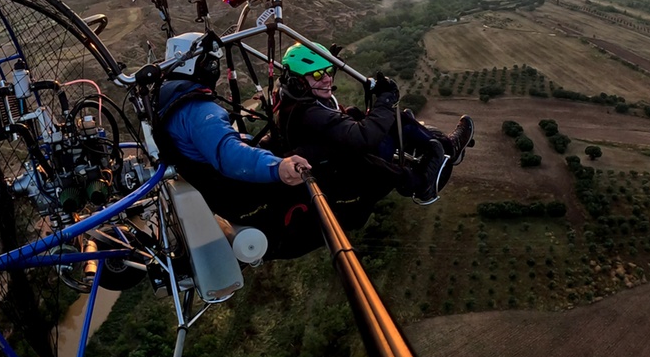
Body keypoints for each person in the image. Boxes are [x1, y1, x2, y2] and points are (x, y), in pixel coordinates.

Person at [153, 36, 322, 260]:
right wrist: (277, 167)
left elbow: (210, 144)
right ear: (200, 64)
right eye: (212, 63)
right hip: (236, 193)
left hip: (215, 192)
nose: (215, 69)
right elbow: (228, 154)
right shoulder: (197, 110)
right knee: (315, 182)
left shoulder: (170, 103)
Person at [277, 43, 474, 218]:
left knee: (366, 114)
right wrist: (385, 102)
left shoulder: (295, 100)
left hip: (341, 169)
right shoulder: (309, 113)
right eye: (319, 74)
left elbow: (342, 128)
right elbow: (363, 138)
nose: (327, 79)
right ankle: (429, 175)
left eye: (330, 70)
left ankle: (440, 146)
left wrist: (376, 106)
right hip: (350, 177)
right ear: (298, 81)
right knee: (396, 121)